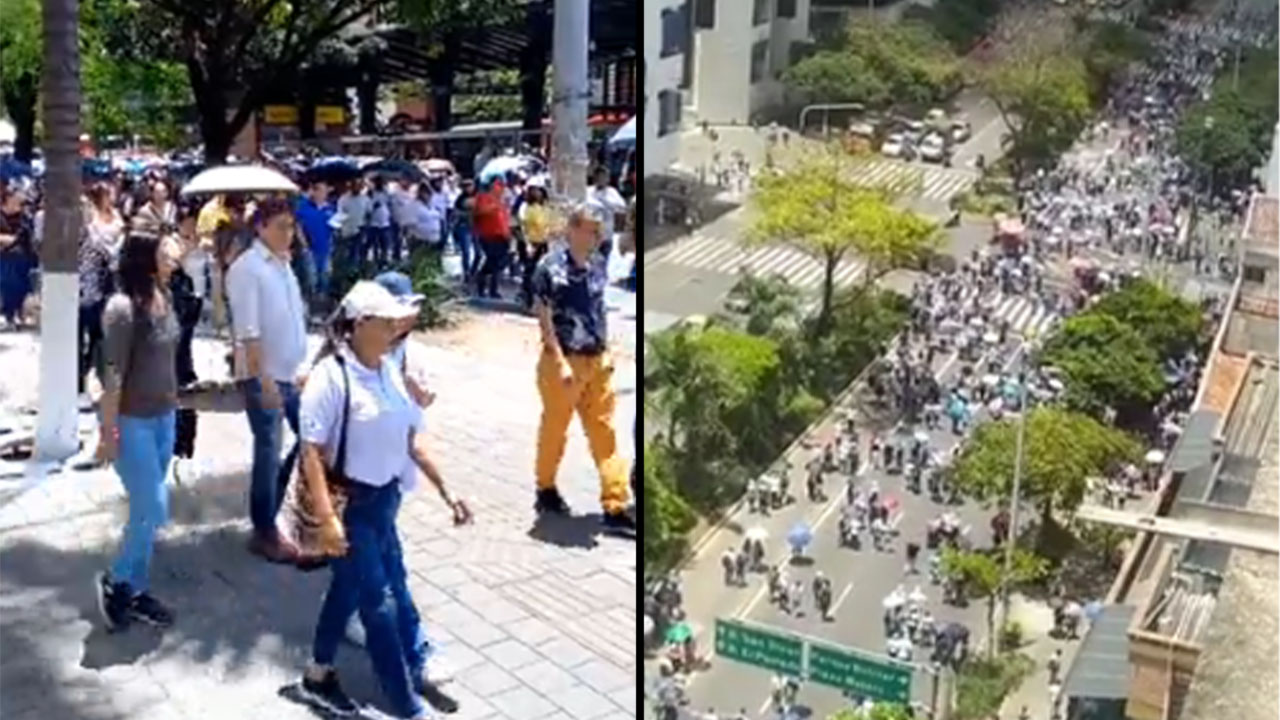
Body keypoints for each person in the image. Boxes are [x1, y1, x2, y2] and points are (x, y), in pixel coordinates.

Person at [295, 281, 468, 719]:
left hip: (384, 503)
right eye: (386, 319)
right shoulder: (330, 377)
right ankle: (407, 706)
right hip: (350, 509)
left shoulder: (389, 369)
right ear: (360, 324)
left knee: (348, 588)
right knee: (379, 604)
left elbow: (412, 437)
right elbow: (310, 451)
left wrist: (447, 489)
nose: (396, 325)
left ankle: (317, 675)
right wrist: (327, 519)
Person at [93, 231, 181, 631]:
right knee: (153, 507)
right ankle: (116, 580)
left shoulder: (164, 296)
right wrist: (107, 432)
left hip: (164, 416)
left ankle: (135, 588)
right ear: (146, 258)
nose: (174, 255)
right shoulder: (121, 309)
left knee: (146, 514)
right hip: (132, 422)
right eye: (166, 250)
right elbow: (111, 374)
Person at [529, 203, 634, 535]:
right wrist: (558, 361)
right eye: (590, 230)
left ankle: (615, 505)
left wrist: (608, 349)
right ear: (572, 229)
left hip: (596, 360)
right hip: (564, 361)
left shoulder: (597, 264)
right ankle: (545, 489)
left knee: (605, 433)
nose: (595, 237)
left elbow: (597, 308)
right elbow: (543, 318)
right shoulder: (549, 268)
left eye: (598, 231)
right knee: (555, 431)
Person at [226, 197, 310, 564]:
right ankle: (264, 529)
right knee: (268, 450)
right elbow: (249, 334)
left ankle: (278, 512)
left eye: (291, 226)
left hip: (289, 374)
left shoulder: (283, 265)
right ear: (259, 228)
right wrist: (266, 380)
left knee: (307, 436)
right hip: (264, 376)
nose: (288, 234)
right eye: (280, 226)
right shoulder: (248, 269)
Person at [168, 216, 206, 481]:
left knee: (186, 393)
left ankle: (184, 451)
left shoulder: (183, 284)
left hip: (181, 353)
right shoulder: (154, 289)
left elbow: (190, 315)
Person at [78, 205, 116, 395]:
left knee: (97, 347)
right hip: (70, 305)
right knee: (75, 348)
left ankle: (103, 386)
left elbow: (110, 270)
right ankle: (77, 387)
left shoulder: (98, 248)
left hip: (94, 305)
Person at [0, 187, 36, 330]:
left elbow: (26, 236)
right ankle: (9, 314)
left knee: (22, 287)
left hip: (23, 258)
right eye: (15, 197)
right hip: (5, 258)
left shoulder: (24, 217)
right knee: (9, 284)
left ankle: (18, 313)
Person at [297, 181, 336, 307]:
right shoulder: (303, 207)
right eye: (321, 191)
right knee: (311, 276)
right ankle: (311, 301)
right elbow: (298, 226)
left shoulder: (330, 208)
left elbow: (334, 227)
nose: (323, 194)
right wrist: (303, 243)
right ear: (314, 192)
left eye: (325, 191)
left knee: (325, 275)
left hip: (326, 248)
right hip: (310, 248)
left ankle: (322, 301)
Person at [471, 178, 511, 299]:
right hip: (488, 236)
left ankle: (493, 289)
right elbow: (480, 212)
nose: (501, 189)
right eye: (498, 186)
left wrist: (508, 234)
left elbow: (504, 221)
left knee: (499, 264)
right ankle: (483, 286)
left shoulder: (502, 203)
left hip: (501, 237)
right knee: (492, 262)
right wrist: (494, 206)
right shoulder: (483, 197)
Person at [516, 179, 552, 309]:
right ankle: (527, 299)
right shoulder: (525, 207)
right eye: (533, 190)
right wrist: (527, 245)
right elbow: (522, 227)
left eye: (538, 190)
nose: (536, 193)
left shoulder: (546, 208)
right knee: (529, 273)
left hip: (544, 244)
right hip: (530, 243)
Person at [586, 166, 628, 259]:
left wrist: (607, 204)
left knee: (605, 263)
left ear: (607, 178)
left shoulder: (612, 193)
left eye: (603, 176)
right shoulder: (587, 191)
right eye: (599, 176)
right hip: (590, 236)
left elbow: (622, 208)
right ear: (595, 178)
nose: (601, 179)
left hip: (606, 237)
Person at [452, 179, 478, 280]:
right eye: (465, 186)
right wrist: (467, 214)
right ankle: (466, 272)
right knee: (466, 252)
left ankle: (473, 271)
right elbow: (456, 213)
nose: (468, 188)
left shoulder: (479, 196)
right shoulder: (460, 199)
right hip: (464, 227)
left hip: (477, 227)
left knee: (479, 253)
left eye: (470, 185)